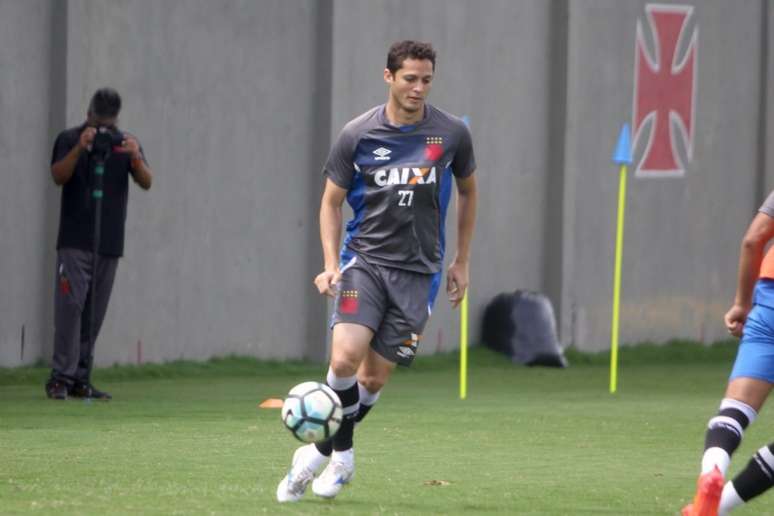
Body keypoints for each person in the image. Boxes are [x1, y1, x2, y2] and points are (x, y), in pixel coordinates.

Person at [276, 40, 477, 502]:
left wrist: (462, 259)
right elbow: (330, 203)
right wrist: (330, 265)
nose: (418, 88)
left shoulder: (450, 134)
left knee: (371, 380)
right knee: (344, 359)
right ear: (388, 77)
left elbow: (469, 192)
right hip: (363, 263)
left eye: (426, 79)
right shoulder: (357, 134)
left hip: (419, 274)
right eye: (409, 78)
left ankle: (318, 453)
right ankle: (342, 457)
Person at [44, 87, 153, 401]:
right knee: (69, 310)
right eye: (98, 120)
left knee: (94, 313)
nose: (103, 128)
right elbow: (58, 175)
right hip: (75, 241)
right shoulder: (69, 139)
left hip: (109, 243)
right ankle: (59, 378)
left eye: (108, 122)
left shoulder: (124, 144)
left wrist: (134, 156)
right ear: (88, 113)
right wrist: (81, 148)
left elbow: (147, 181)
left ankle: (81, 377)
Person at [683, 191, 774, 515]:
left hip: (768, 302)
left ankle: (712, 474)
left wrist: (741, 303)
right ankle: (720, 506)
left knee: (735, 410)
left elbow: (753, 240)